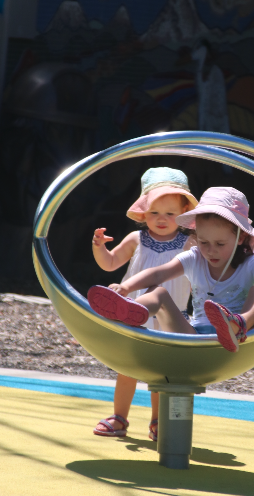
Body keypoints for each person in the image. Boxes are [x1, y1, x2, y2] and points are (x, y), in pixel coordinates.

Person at [88, 186, 254, 355]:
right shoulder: (195, 258)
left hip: (237, 338)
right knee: (159, 292)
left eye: (220, 244)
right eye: (203, 242)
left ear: (242, 238)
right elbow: (158, 273)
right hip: (192, 335)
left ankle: (239, 322)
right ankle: (128, 311)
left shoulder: (251, 262)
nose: (210, 251)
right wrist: (125, 287)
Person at [91, 167, 198, 441]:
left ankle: (158, 421)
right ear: (143, 212)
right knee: (127, 369)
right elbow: (110, 263)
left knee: (160, 375)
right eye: (154, 213)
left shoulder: (190, 244)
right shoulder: (136, 239)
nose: (161, 219)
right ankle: (119, 417)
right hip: (132, 314)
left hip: (169, 319)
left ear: (185, 213)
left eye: (170, 213)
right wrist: (99, 248)